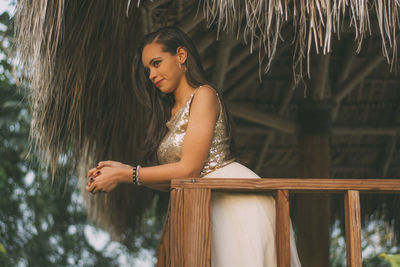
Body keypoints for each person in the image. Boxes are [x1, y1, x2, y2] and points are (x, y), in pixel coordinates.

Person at [85, 26, 301, 267]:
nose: (151, 74)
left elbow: (189, 169)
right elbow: (176, 181)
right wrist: (122, 169)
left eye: (157, 63)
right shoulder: (168, 114)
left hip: (237, 202)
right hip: (205, 206)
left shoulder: (204, 95)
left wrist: (127, 174)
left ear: (180, 55)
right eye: (147, 70)